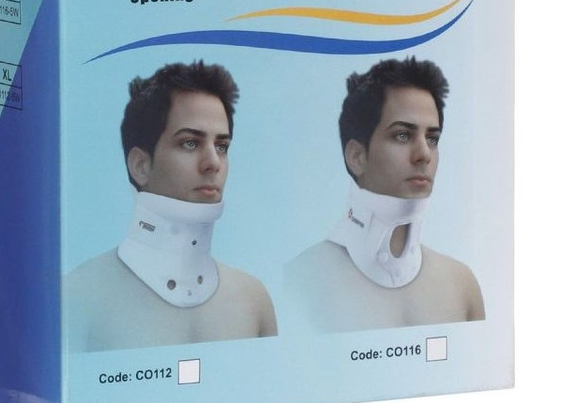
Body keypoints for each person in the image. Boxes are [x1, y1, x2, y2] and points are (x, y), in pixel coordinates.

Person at [65, 61, 277, 352]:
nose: (213, 163)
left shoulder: (253, 301)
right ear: (141, 165)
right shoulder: (76, 298)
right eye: (190, 143)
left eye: (222, 146)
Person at [286, 57, 484, 332]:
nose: (424, 154)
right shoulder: (296, 283)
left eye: (432, 139)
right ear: (357, 156)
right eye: (402, 135)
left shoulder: (462, 286)